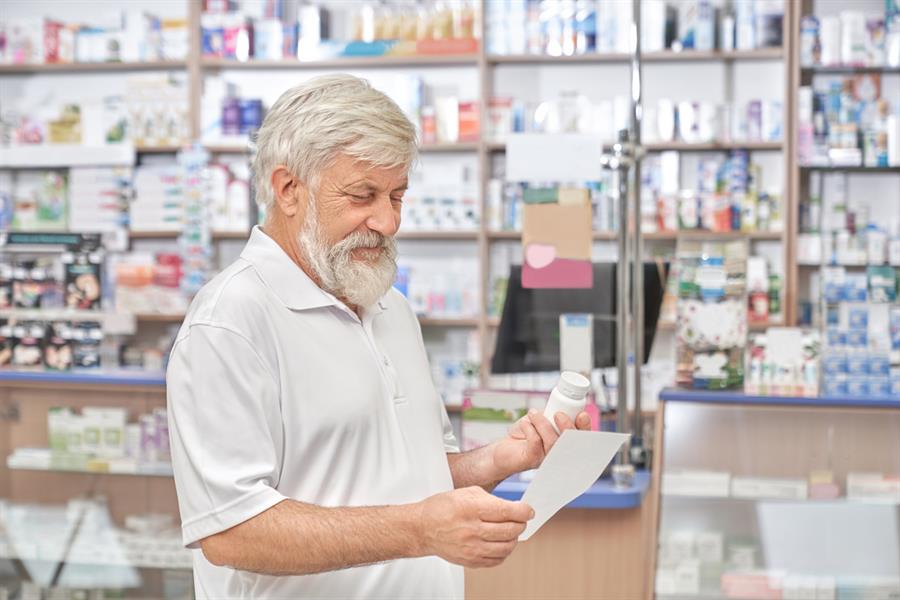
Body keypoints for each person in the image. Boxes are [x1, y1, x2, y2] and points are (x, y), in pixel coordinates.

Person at [166, 74, 591, 600]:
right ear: (289, 189)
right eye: (363, 195)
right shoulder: (230, 323)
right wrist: (418, 529)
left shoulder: (390, 307)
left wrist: (501, 460)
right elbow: (231, 532)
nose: (387, 221)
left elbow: (419, 477)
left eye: (397, 195)